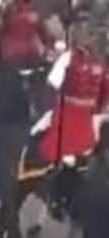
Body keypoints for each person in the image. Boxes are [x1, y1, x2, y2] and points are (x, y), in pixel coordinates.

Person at [36, 15, 109, 166]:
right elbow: (104, 96)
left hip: (68, 120)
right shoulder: (102, 64)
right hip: (90, 121)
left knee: (40, 138)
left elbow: (51, 85)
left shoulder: (68, 57)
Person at [0, 0, 64, 70]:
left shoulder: (31, 9)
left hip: (24, 57)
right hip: (17, 58)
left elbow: (43, 31)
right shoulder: (3, 8)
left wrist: (49, 48)